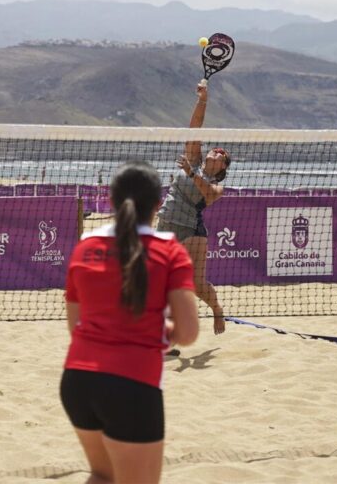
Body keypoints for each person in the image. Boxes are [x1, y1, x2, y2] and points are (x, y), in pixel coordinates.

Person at [61, 160, 199, 484]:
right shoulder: (169, 251)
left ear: (111, 200)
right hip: (132, 384)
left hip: (78, 381)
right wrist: (159, 330)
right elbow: (189, 333)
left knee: (102, 475)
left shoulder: (85, 247)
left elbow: (75, 327)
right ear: (159, 203)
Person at [156, 80, 231, 334]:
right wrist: (202, 100)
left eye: (223, 154)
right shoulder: (194, 159)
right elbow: (195, 127)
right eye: (216, 149)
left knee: (197, 286)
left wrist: (190, 174)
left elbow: (208, 194)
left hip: (192, 231)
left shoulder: (216, 186)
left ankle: (217, 310)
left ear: (222, 168)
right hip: (166, 221)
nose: (217, 152)